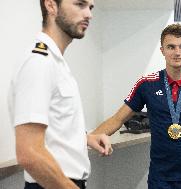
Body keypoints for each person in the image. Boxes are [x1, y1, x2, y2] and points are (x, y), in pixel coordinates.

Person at [88, 23, 181, 189]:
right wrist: (89, 139)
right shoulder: (146, 83)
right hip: (160, 177)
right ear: (162, 50)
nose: (177, 52)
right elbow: (118, 119)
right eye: (171, 47)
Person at [8, 0, 111, 188]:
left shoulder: (56, 63)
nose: (89, 14)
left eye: (90, 7)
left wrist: (86, 138)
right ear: (51, 6)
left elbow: (54, 126)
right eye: (80, 4)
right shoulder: (39, 62)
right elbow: (29, 153)